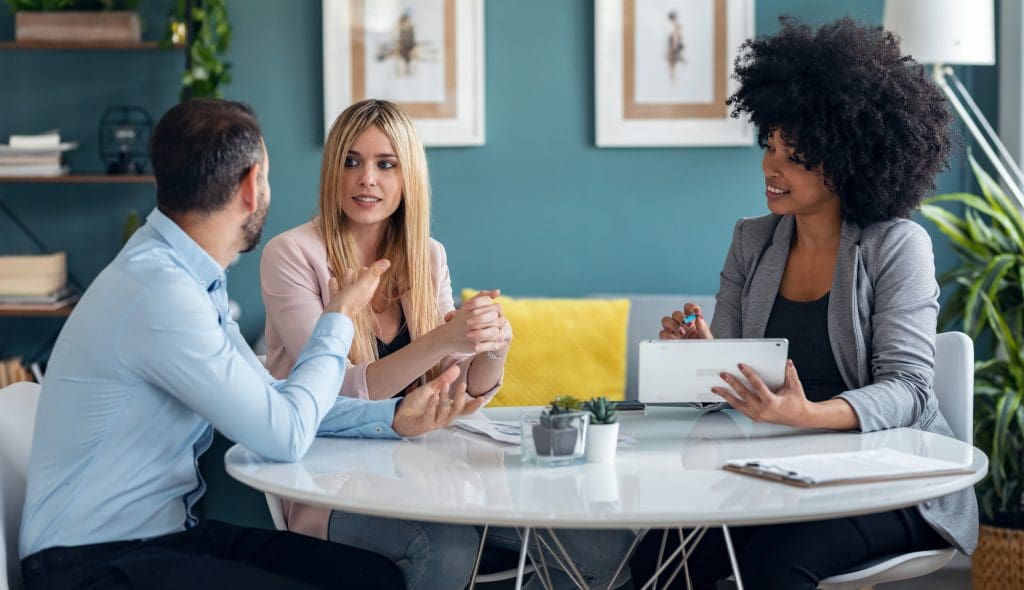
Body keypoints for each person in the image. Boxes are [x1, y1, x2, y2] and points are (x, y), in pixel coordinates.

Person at [19, 98, 484, 590]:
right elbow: (283, 434)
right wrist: (338, 317)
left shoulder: (186, 279)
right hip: (89, 565)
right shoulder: (162, 294)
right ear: (250, 185)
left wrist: (391, 418)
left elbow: (275, 397)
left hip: (163, 538)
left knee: (368, 576)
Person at [630, 17, 978, 589]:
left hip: (891, 480)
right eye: (770, 146)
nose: (771, 167)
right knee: (662, 557)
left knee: (773, 567)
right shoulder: (752, 239)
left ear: (847, 159)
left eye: (795, 156)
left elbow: (911, 390)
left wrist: (809, 415)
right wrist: (706, 356)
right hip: (778, 468)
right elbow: (738, 377)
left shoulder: (896, 245)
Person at [261, 98, 635, 589]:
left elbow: (458, 387)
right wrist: (442, 339)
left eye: (385, 164)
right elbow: (335, 389)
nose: (365, 178)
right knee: (446, 547)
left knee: (601, 546)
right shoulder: (291, 254)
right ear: (333, 170)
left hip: (432, 471)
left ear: (407, 175)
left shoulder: (427, 256)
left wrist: (491, 344)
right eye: (351, 161)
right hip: (332, 484)